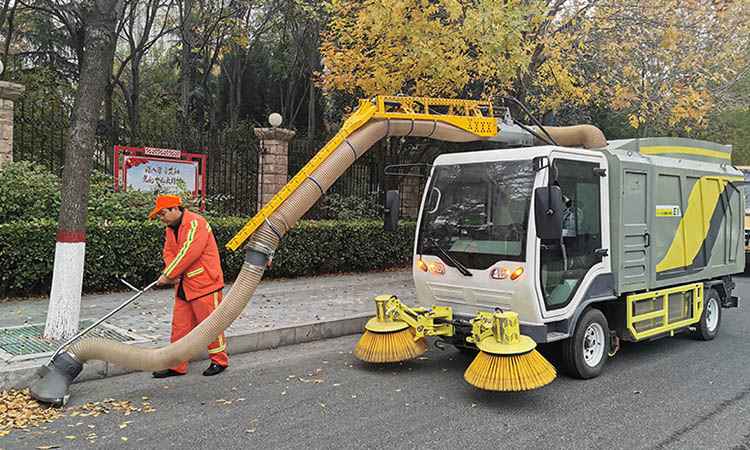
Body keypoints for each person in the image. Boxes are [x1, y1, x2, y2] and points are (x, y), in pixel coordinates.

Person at [148, 194, 228, 378]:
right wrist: (171, 273)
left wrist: (168, 275)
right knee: (180, 327)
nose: (161, 219)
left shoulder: (195, 223)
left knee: (210, 324)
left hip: (205, 283)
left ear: (175, 209)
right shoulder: (170, 228)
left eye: (162, 214)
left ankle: (219, 360)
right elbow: (169, 252)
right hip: (184, 284)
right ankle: (177, 365)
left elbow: (189, 252)